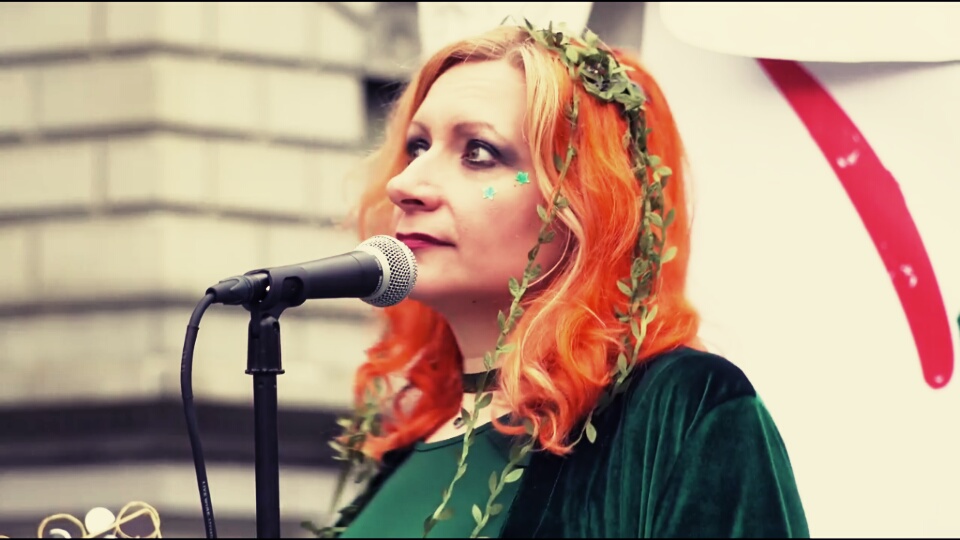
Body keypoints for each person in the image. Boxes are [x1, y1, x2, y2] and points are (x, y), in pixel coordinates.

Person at [316, 21, 809, 539]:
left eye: (478, 151)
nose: (404, 183)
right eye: (418, 146)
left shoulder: (682, 409)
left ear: (585, 200)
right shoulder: (405, 439)